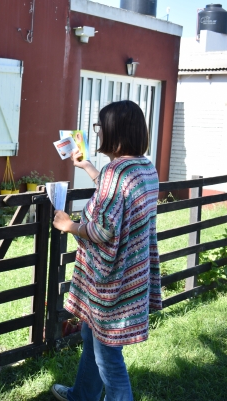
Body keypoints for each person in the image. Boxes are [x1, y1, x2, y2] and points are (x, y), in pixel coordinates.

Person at [50, 100, 162, 401]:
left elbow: (103, 229)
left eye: (101, 127)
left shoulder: (116, 172)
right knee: (90, 336)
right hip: (132, 277)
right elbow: (119, 200)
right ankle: (82, 394)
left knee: (109, 360)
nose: (98, 133)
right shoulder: (144, 168)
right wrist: (90, 169)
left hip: (110, 283)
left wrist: (69, 225)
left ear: (116, 131)